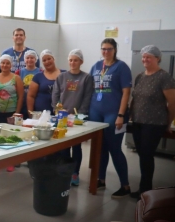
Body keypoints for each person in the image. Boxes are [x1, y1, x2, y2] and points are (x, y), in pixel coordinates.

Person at [130, 45, 175, 200]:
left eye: (148, 57)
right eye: (143, 56)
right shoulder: (140, 76)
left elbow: (172, 103)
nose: (145, 59)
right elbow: (135, 98)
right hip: (138, 121)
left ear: (157, 58)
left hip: (155, 123)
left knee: (147, 155)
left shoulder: (164, 77)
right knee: (142, 154)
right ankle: (144, 188)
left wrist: (168, 124)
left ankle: (145, 191)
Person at [89, 38, 132, 198]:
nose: (106, 52)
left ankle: (125, 185)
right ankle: (101, 179)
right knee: (100, 148)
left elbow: (126, 92)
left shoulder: (121, 67)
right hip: (96, 112)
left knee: (115, 149)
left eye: (109, 49)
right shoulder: (96, 66)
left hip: (114, 113)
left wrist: (121, 115)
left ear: (115, 50)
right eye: (103, 49)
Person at [52, 49, 94, 187]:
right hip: (62, 117)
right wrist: (58, 110)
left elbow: (87, 97)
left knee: (76, 146)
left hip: (77, 118)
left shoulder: (86, 78)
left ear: (81, 62)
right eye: (70, 60)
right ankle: (65, 172)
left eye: (75, 60)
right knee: (63, 146)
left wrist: (79, 115)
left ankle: (75, 173)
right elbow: (56, 95)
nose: (72, 62)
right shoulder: (61, 77)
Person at [0, 54, 23, 172]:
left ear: (11, 65)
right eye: (3, 63)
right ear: (0, 64)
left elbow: (21, 96)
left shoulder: (16, 78)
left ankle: (11, 161)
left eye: (7, 63)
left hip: (11, 112)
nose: (5, 65)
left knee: (11, 137)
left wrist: (17, 113)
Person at [19, 50, 40, 119]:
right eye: (27, 58)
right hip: (23, 103)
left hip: (36, 102)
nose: (29, 60)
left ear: (36, 59)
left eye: (32, 58)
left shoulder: (40, 72)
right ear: (24, 60)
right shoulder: (19, 72)